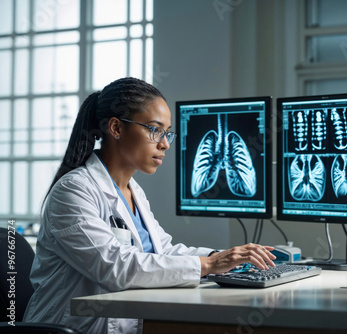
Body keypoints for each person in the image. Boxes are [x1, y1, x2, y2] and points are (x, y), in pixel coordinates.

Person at [23, 77, 276, 333]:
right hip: (71, 328)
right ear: (116, 128)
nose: (165, 143)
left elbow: (160, 251)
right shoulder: (73, 191)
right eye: (154, 130)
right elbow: (116, 267)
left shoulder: (134, 191)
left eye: (168, 133)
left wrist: (221, 257)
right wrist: (209, 265)